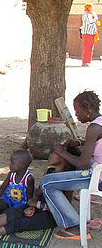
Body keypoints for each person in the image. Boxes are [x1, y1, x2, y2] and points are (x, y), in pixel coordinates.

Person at [0, 146, 81, 240]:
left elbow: (63, 208)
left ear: (63, 158)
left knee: (20, 223)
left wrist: (37, 206)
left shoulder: (66, 180)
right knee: (13, 212)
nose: (50, 154)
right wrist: (32, 203)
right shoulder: (50, 171)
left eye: (54, 153)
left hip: (50, 215)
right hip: (38, 205)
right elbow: (38, 193)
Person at [40, 90, 102, 239]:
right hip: (98, 169)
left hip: (98, 177)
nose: (76, 115)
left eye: (77, 110)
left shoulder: (93, 128)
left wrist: (61, 152)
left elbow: (82, 164)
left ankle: (74, 225)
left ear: (88, 110)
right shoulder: (99, 123)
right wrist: (80, 142)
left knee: (47, 184)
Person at [0, 150, 34, 218]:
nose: (10, 165)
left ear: (23, 165)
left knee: (13, 213)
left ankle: (4, 215)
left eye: (12, 163)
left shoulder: (28, 179)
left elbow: (30, 195)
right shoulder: (11, 174)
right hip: (8, 199)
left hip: (20, 203)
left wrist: (29, 207)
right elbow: (3, 187)